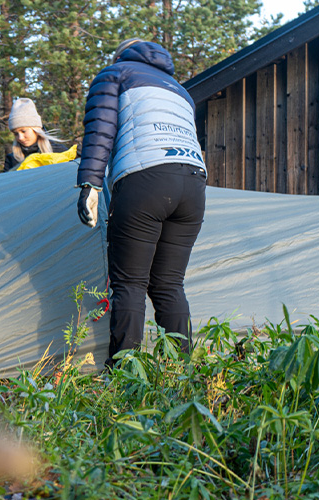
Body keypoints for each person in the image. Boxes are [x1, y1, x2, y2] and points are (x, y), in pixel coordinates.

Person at [75, 38, 207, 367]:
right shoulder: (180, 91)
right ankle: (182, 372)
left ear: (121, 56)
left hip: (146, 179)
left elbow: (100, 131)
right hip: (194, 184)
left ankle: (125, 376)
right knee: (169, 284)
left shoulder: (115, 74)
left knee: (130, 283)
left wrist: (90, 182)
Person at [4, 98, 72, 172]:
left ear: (36, 129)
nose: (20, 138)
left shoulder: (58, 151)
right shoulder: (12, 159)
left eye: (23, 131)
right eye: (16, 134)